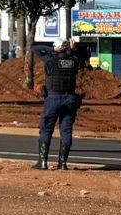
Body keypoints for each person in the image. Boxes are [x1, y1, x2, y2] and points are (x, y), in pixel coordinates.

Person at [32, 38, 85, 170]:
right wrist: (71, 50)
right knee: (66, 130)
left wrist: (54, 50)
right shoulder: (74, 60)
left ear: (57, 48)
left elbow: (36, 49)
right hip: (70, 99)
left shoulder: (51, 60)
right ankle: (63, 163)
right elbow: (83, 60)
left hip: (53, 98)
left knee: (46, 129)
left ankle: (43, 162)